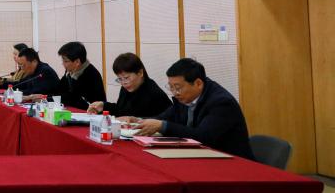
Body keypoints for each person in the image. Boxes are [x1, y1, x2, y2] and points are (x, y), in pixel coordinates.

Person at [124, 58, 254, 160]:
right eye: (171, 87)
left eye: (178, 87)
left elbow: (203, 137)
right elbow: (163, 118)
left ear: (198, 83)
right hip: (202, 156)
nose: (174, 93)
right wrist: (138, 120)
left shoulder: (221, 103)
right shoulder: (185, 97)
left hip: (233, 162)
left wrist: (163, 126)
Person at [87, 53, 171, 119]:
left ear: (140, 73)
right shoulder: (127, 87)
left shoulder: (154, 93)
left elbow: (161, 121)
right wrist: (103, 106)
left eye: (126, 78)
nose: (123, 83)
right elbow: (121, 110)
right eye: (120, 79)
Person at [46, 42, 105, 108]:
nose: (63, 64)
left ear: (77, 62)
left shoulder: (90, 75)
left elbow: (73, 98)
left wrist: (50, 98)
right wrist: (45, 97)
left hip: (91, 112)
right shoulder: (70, 70)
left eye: (66, 61)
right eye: (63, 60)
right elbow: (60, 89)